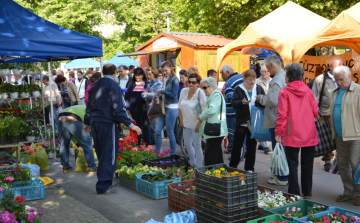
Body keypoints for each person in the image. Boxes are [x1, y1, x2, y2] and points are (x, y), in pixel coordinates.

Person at [84, 63, 141, 195]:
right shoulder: (114, 86)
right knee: (108, 154)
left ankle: (105, 181)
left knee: (101, 152)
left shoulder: (95, 85)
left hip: (95, 122)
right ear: (114, 72)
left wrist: (87, 123)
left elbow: (89, 107)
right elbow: (118, 109)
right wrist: (132, 124)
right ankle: (104, 184)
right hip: (107, 123)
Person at [275, 63, 319, 198]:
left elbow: (282, 114)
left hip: (291, 133)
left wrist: (278, 132)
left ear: (289, 77)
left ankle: (294, 193)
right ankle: (307, 192)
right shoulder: (308, 91)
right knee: (307, 165)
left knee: (292, 164)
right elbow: (315, 112)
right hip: (308, 133)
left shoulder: (284, 92)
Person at [256, 54, 288, 185]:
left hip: (276, 119)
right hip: (281, 118)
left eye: (268, 68)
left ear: (273, 66)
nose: (268, 71)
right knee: (279, 149)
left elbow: (272, 100)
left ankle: (282, 177)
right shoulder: (284, 76)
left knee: (278, 149)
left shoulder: (277, 80)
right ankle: (279, 175)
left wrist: (261, 99)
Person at [330, 65, 360, 206]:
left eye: (341, 79)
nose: (339, 83)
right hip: (340, 135)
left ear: (349, 76)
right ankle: (348, 192)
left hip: (355, 136)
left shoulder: (358, 91)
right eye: (336, 80)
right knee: (342, 165)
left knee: (355, 165)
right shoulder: (335, 92)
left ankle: (358, 193)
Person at [229, 69, 265, 171]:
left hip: (254, 123)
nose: (252, 82)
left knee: (252, 147)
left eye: (254, 79)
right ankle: (233, 166)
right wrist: (242, 102)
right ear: (244, 79)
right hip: (241, 122)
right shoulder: (238, 89)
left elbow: (264, 100)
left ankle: (249, 168)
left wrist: (261, 102)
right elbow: (234, 103)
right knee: (237, 145)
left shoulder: (258, 88)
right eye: (250, 79)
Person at [312, 57, 342, 171]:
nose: (339, 68)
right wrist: (316, 113)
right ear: (330, 67)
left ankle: (338, 161)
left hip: (339, 116)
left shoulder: (343, 78)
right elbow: (314, 97)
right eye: (336, 66)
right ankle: (327, 161)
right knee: (328, 140)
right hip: (325, 115)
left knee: (339, 140)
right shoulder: (320, 79)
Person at [58, 105, 97, 173]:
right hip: (74, 119)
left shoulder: (83, 108)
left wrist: (77, 143)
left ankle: (65, 166)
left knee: (64, 144)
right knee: (87, 144)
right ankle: (92, 167)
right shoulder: (92, 114)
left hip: (61, 118)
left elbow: (72, 133)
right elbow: (89, 130)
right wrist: (93, 144)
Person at [198, 77, 227, 165]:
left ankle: (210, 175)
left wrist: (201, 117)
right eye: (202, 87)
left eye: (205, 87)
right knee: (217, 156)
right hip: (215, 130)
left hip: (214, 130)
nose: (203, 90)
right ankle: (219, 175)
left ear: (212, 87)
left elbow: (212, 110)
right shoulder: (214, 95)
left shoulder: (216, 95)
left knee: (210, 157)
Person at [179, 73, 206, 167]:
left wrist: (199, 124)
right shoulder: (183, 91)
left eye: (193, 82)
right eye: (189, 81)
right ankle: (193, 162)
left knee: (197, 145)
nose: (191, 84)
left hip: (196, 123)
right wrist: (181, 121)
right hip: (185, 123)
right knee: (187, 144)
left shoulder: (200, 93)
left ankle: (199, 167)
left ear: (198, 83)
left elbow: (204, 110)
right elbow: (179, 107)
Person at [155, 61, 179, 154]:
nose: (164, 73)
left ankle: (172, 154)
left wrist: (162, 91)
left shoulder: (174, 79)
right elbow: (164, 93)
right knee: (157, 130)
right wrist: (160, 96)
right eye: (163, 71)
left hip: (172, 107)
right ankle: (157, 153)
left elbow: (173, 95)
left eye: (166, 70)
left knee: (170, 132)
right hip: (164, 107)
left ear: (170, 68)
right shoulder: (164, 79)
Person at [221, 65, 243, 154]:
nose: (222, 76)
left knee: (232, 132)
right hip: (243, 110)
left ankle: (233, 151)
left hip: (232, 112)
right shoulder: (242, 77)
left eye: (222, 74)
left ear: (228, 72)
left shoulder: (229, 82)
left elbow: (231, 97)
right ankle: (243, 151)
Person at [127, 68, 150, 145]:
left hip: (144, 109)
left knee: (146, 126)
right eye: (136, 75)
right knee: (137, 126)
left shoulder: (147, 85)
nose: (137, 77)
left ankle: (147, 143)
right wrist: (128, 108)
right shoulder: (131, 84)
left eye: (139, 75)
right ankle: (138, 143)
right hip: (135, 109)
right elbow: (128, 97)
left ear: (142, 75)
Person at [142, 67, 162, 144]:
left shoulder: (158, 84)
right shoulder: (150, 84)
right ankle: (157, 148)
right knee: (153, 128)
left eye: (150, 74)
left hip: (156, 108)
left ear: (155, 74)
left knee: (157, 129)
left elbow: (155, 95)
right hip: (150, 107)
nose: (148, 76)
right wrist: (148, 94)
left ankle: (159, 148)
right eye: (147, 74)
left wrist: (147, 94)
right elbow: (142, 94)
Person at [256, 65, 272, 151]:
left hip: (270, 105)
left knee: (268, 125)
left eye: (265, 71)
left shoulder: (273, 81)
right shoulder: (257, 81)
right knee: (262, 125)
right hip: (261, 105)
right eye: (262, 71)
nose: (263, 73)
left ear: (269, 72)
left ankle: (262, 144)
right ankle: (265, 145)